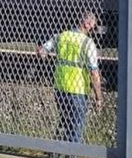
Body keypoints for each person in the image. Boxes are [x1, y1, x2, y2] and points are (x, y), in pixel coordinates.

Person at [37, 12, 103, 146]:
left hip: (60, 88)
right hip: (77, 91)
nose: (92, 29)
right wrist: (98, 97)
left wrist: (40, 52)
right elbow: (94, 73)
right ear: (86, 23)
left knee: (65, 121)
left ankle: (55, 153)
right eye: (92, 26)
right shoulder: (87, 43)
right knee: (76, 126)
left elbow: (42, 51)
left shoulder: (62, 36)